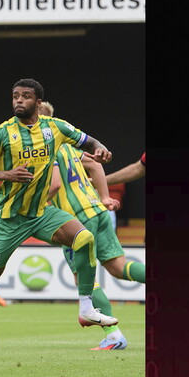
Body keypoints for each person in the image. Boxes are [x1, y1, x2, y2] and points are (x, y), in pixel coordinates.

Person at [0, 79, 119, 341]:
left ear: (38, 103)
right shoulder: (1, 132)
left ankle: (86, 308)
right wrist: (7, 174)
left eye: (25, 96)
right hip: (9, 220)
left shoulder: (55, 127)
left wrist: (100, 149)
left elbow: (89, 142)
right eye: (15, 96)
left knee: (84, 238)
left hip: (40, 213)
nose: (19, 100)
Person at [40, 101, 143, 350]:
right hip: (98, 212)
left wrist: (35, 206)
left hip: (76, 220)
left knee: (83, 279)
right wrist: (105, 197)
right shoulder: (68, 145)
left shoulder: (43, 147)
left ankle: (114, 335)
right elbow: (96, 165)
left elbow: (53, 185)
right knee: (119, 267)